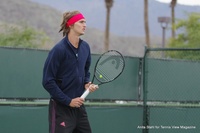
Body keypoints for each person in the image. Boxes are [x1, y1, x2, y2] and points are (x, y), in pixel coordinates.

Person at [42, 10, 98, 133]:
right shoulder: (58, 50)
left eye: (85, 22)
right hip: (61, 109)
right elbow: (47, 81)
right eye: (81, 22)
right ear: (70, 24)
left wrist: (86, 83)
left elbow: (85, 71)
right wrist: (68, 101)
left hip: (79, 109)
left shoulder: (85, 47)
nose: (85, 25)